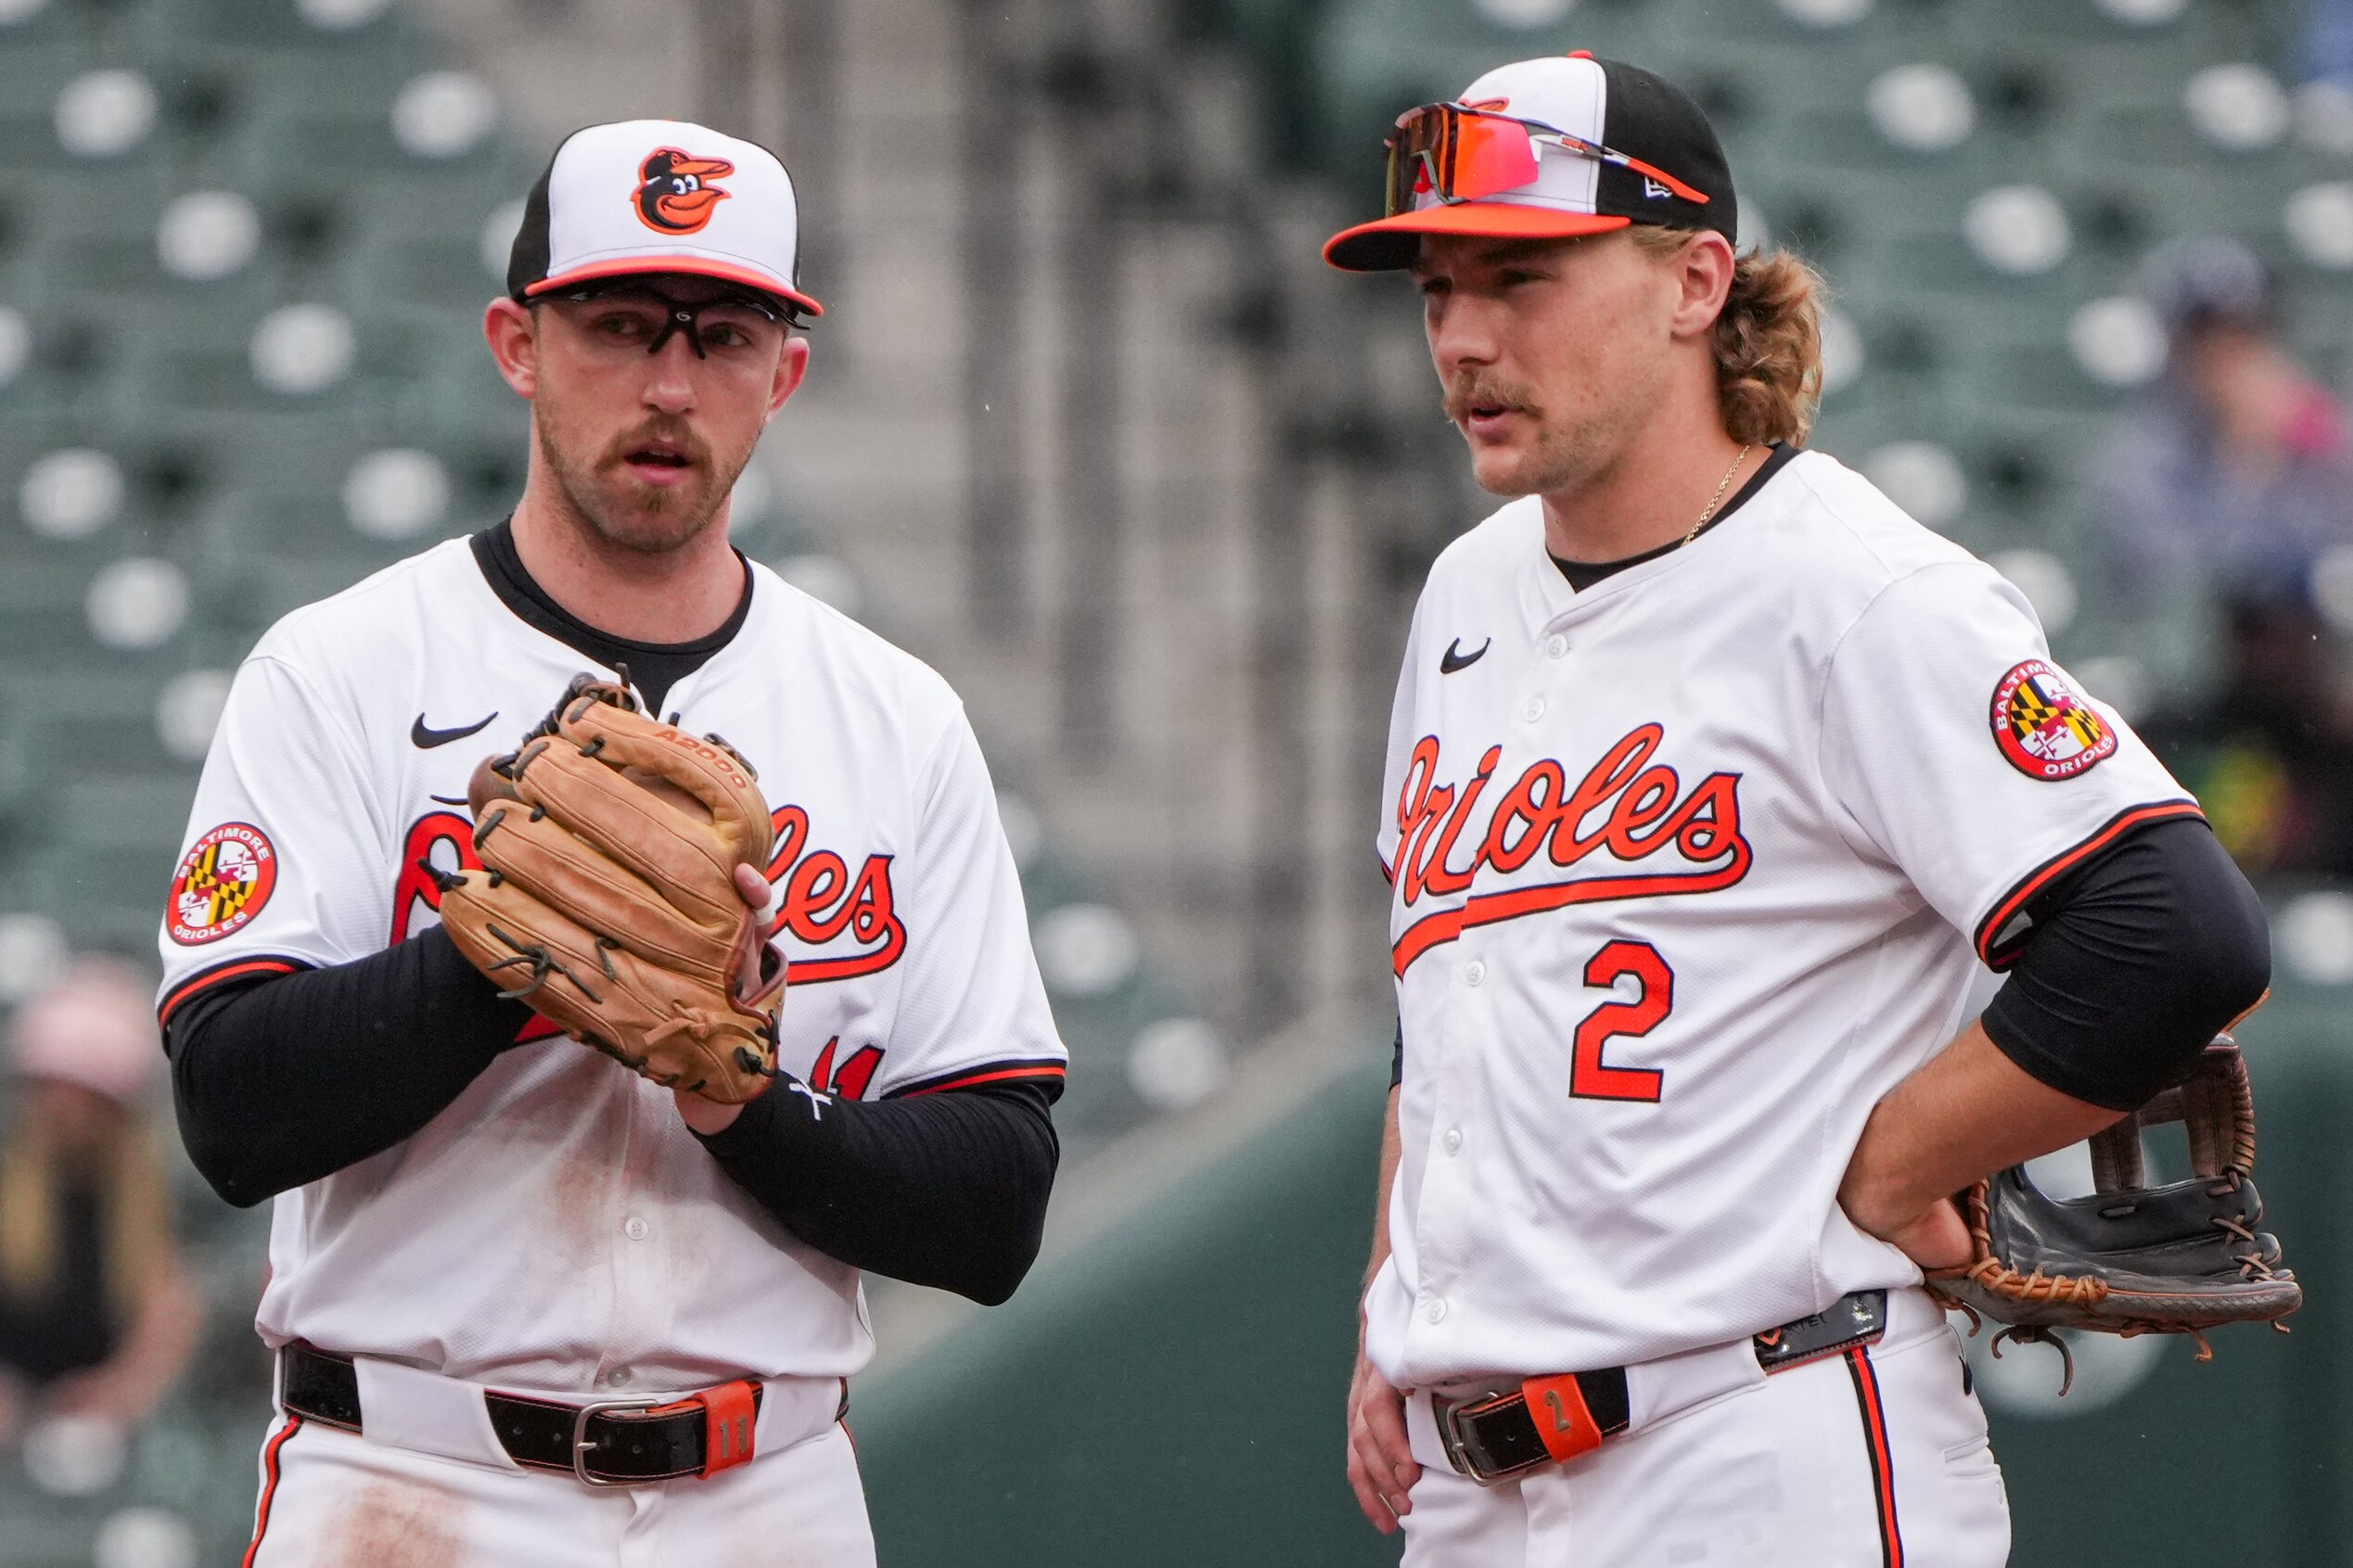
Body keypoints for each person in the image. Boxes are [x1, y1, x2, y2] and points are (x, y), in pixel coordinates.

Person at [1322, 55, 2270, 1565]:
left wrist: (1892, 1161)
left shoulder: (1854, 590)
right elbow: (1445, 989)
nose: (1464, 337)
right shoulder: (1465, 594)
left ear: (1694, 280)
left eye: (1519, 278)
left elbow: (2172, 921)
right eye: (1437, 288)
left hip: (1759, 1440)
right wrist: (1402, 1296)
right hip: (1476, 1485)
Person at [156, 121, 1065, 1563]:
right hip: (411, 1477)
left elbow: (997, 1200)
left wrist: (742, 1103)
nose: (666, 383)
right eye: (618, 325)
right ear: (517, 343)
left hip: (765, 1491)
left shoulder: (896, 719)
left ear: (788, 374)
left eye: (722, 338)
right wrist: (506, 959)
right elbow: (231, 1107)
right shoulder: (339, 669)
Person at [0, 957, 198, 1448]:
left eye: (82, 1094)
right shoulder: (10, 1180)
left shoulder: (152, 1201)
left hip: (98, 1441)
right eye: (48, 1089)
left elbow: (171, 1316)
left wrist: (119, 1393)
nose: (60, 1108)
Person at [2091, 236, 2353, 600]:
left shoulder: (2321, 435)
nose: (2229, 362)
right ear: (2180, 352)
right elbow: (2175, 594)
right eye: (2209, 343)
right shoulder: (2146, 461)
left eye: (2245, 340)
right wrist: (2245, 460)